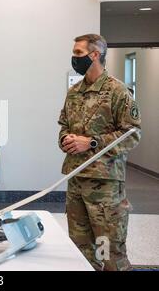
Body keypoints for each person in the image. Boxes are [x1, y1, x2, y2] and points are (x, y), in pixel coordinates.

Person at [58, 34, 141, 271]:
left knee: (108, 250)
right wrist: (66, 139)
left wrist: (91, 143)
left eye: (78, 53)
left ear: (94, 55)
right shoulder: (74, 92)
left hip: (105, 185)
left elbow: (133, 134)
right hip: (76, 178)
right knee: (81, 248)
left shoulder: (117, 91)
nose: (73, 58)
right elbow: (64, 126)